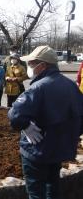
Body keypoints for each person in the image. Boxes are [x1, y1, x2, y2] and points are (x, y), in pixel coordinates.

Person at [8, 45, 83, 199]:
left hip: (36, 150)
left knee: (36, 193)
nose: (28, 67)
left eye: (31, 64)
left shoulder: (38, 88)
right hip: (58, 150)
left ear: (42, 66)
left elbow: (15, 114)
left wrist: (25, 126)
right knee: (52, 187)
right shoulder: (71, 86)